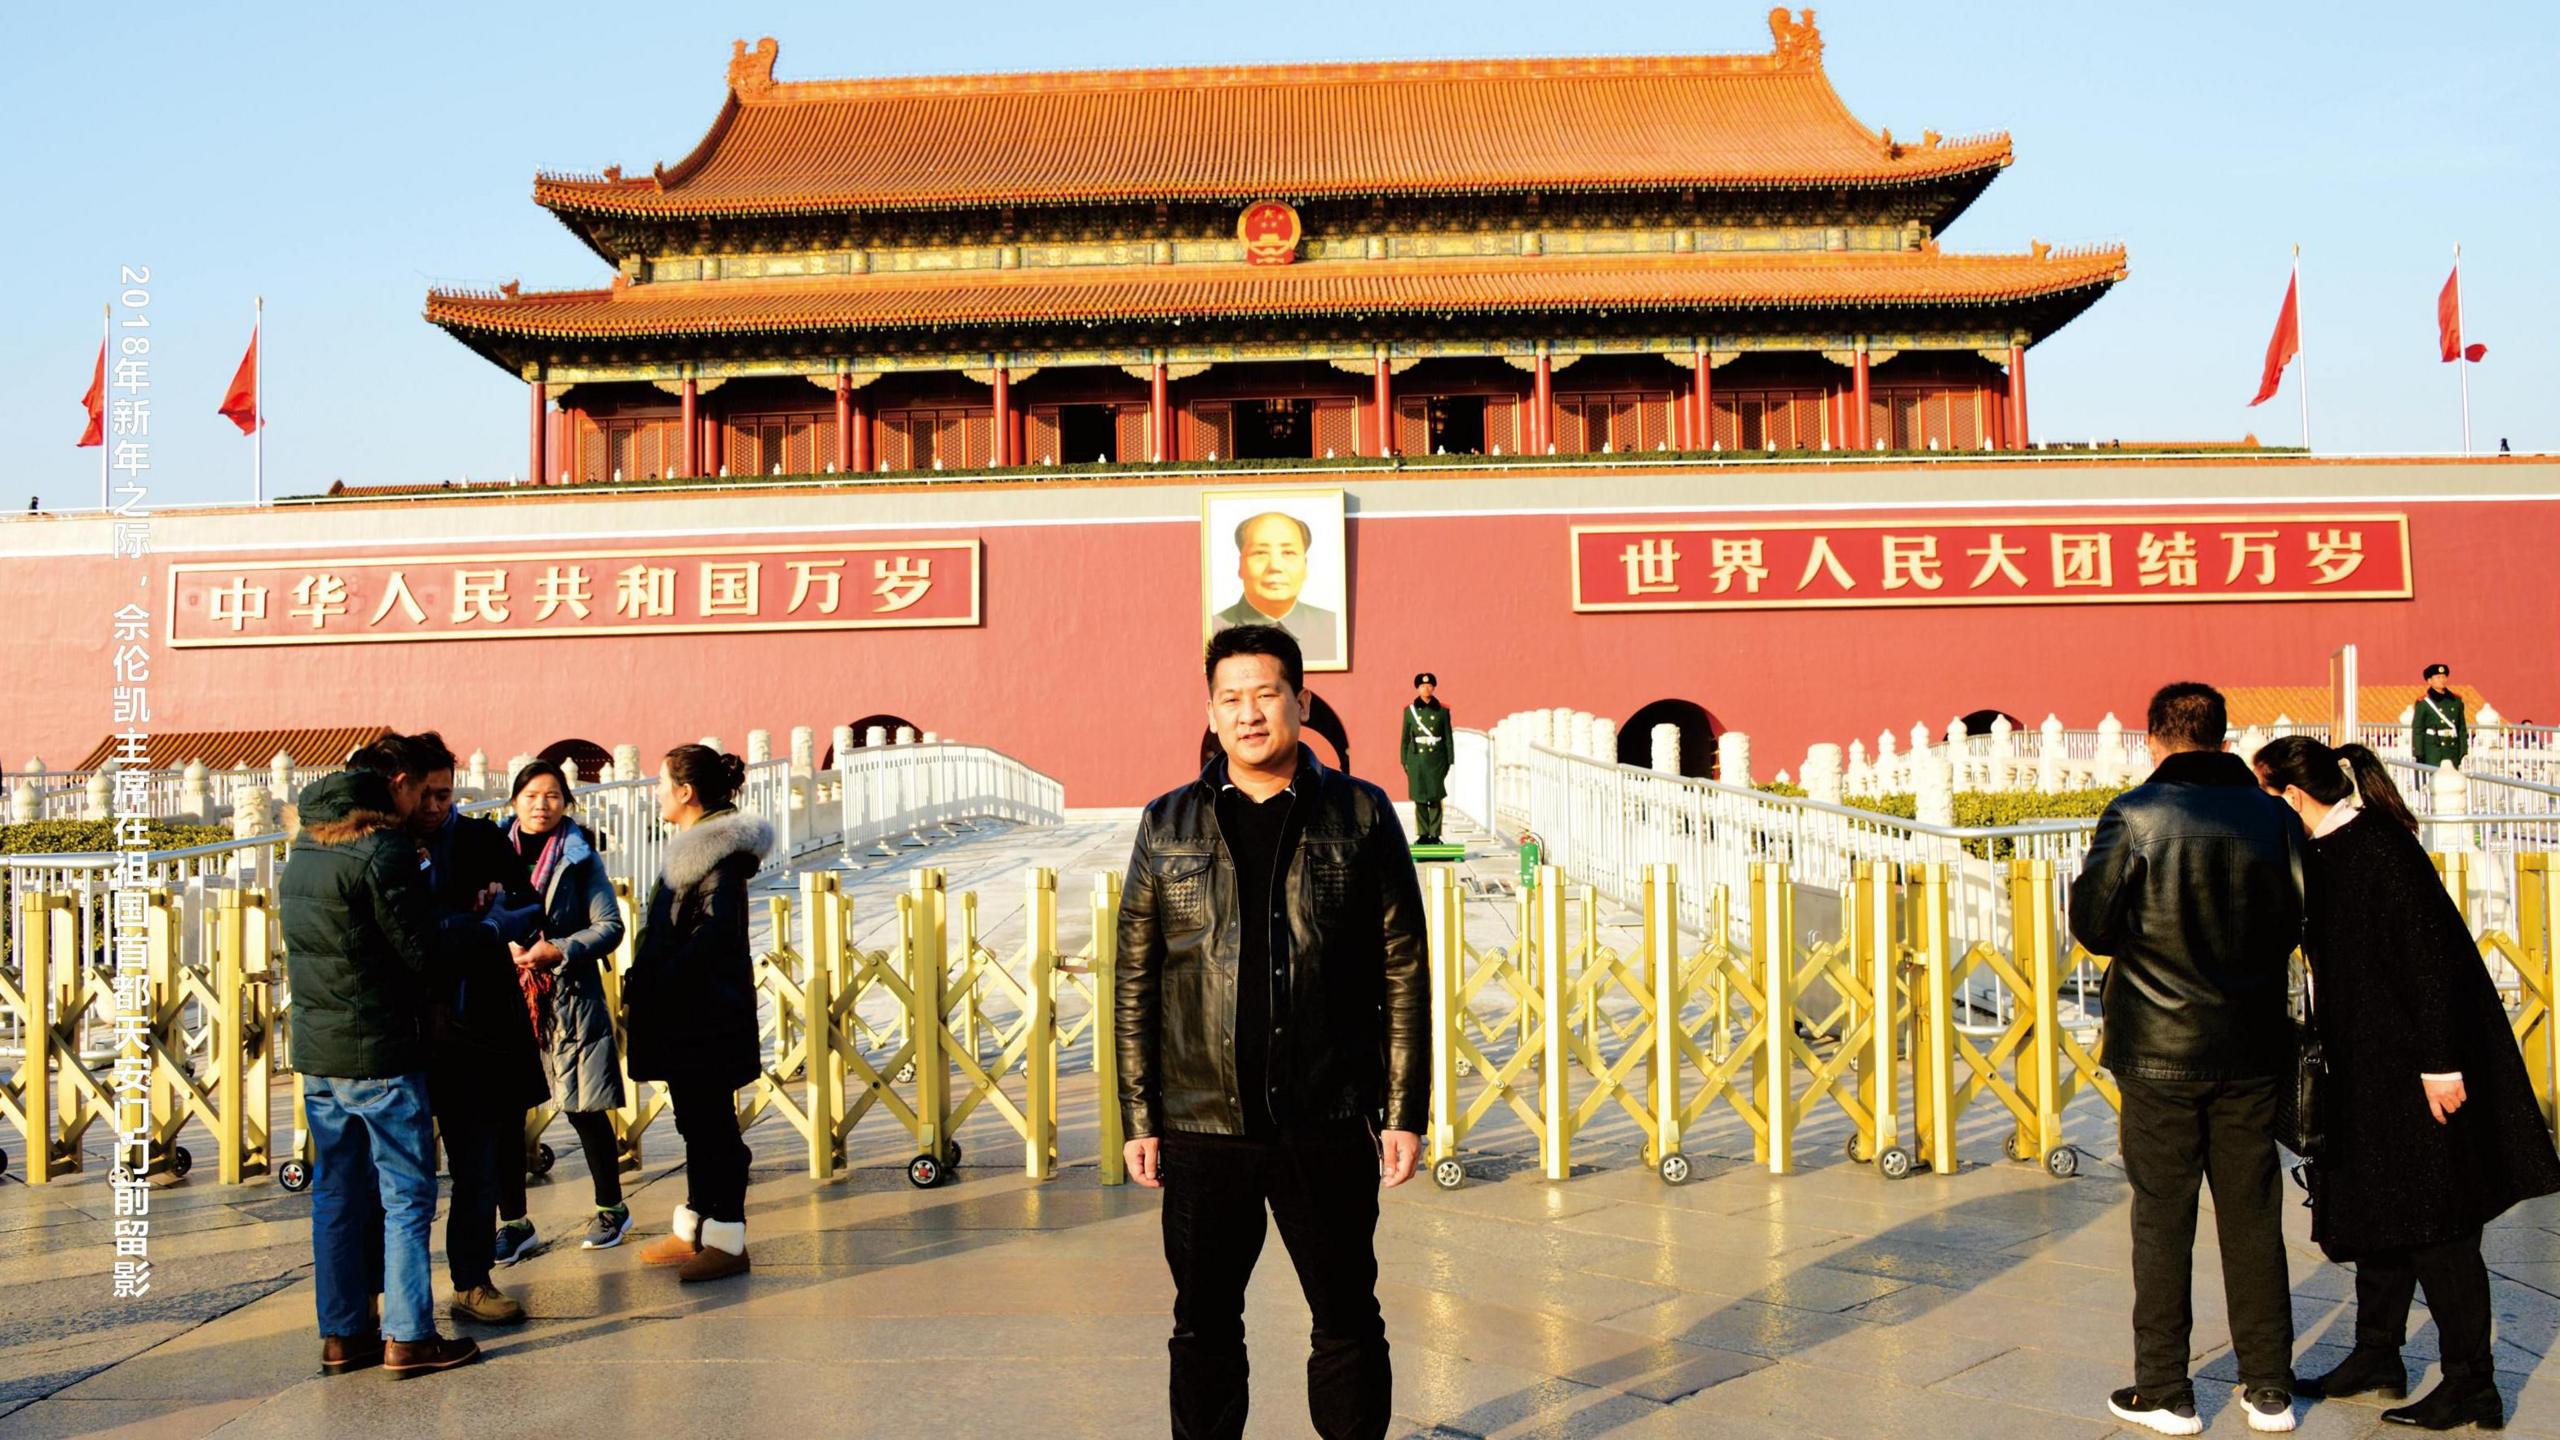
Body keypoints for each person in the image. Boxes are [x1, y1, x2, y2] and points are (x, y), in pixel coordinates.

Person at [1117, 622, 1429, 1440]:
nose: (1249, 715)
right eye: (1231, 699)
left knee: (1346, 1315)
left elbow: (1403, 966)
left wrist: (1404, 1109)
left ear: (1302, 700)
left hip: (1324, 1113)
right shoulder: (1167, 824)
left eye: (1266, 694)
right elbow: (1136, 982)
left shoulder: (1360, 816)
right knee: (1204, 1324)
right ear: (1211, 712)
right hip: (1201, 1122)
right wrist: (1140, 1115)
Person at [2256, 736, 2560, 1430]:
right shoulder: (2330, 852)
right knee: (2377, 1212)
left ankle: (2471, 1383)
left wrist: (2440, 1064)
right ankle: (2377, 1353)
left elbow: (2431, 962)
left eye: (2266, 795)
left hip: (2415, 1072)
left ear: (2293, 797)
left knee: (2438, 1225)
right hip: (2367, 1070)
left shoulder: (2379, 851)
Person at [2069, 682, 2307, 1435]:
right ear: (2223, 735)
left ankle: (2167, 1390)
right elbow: (2302, 917)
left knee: (2162, 1218)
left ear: (2154, 738)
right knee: (2252, 1216)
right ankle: (2268, 1387)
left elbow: (2095, 926)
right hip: (2254, 1045)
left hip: (2161, 1050)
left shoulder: (2135, 815)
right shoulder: (2274, 816)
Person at [280, 766, 480, 1380]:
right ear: (388, 793)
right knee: (406, 1196)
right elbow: (418, 951)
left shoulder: (303, 851)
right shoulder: (381, 850)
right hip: (382, 1055)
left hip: (319, 1056)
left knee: (337, 1195)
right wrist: (479, 926)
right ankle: (409, 1336)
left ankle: (343, 1336)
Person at [352, 732, 548, 1327]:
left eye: (446, 793)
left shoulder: (483, 838)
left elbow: (529, 904)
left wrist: (494, 914)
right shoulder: (382, 847)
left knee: (477, 1164)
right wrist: (458, 922)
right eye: (428, 795)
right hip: (402, 1029)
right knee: (390, 1174)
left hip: (475, 1025)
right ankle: (379, 1294)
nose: (437, 806)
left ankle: (472, 1281)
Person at [628, 745, 773, 1283]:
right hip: (688, 1013)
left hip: (705, 1015)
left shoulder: (718, 858)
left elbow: (713, 938)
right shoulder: (697, 850)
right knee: (693, 1121)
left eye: (662, 782)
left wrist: (658, 978)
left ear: (686, 793)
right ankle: (695, 1228)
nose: (656, 792)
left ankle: (728, 1238)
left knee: (713, 1127)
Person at [492, 760, 633, 1256]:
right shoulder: (490, 853)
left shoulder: (579, 858)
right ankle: (514, 1223)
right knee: (505, 1112)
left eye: (552, 796)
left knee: (583, 1106)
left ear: (566, 803)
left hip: (568, 996)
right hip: (505, 996)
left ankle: (612, 1209)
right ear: (513, 802)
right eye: (531, 795)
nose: (541, 805)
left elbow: (609, 926)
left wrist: (561, 949)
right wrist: (498, 945)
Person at [1210, 511, 1340, 666]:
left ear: (1305, 565)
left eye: (1288, 552)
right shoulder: (1215, 628)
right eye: (1260, 553)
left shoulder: (1334, 628)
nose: (1275, 566)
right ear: (1241, 565)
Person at [1399, 672, 1454, 845]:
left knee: (1436, 798)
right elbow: (1405, 738)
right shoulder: (1410, 711)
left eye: (1429, 685)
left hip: (1437, 760)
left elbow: (1447, 737)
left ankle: (1435, 834)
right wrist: (1404, 760)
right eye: (1422, 686)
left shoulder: (1443, 711)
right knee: (1420, 798)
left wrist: (1449, 760)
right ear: (1417, 688)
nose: (1426, 688)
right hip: (1416, 760)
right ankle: (1423, 834)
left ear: (1434, 687)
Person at [2413, 664, 2469, 771]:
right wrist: (2418, 752)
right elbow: (2418, 729)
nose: (2442, 680)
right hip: (2434, 748)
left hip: (2452, 747)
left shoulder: (2456, 701)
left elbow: (2461, 727)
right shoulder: (2424, 703)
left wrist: (2463, 750)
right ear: (2429, 681)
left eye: (2444, 677)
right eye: (2438, 677)